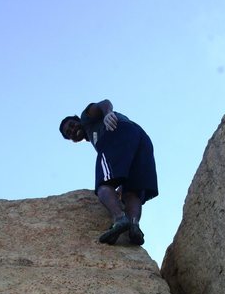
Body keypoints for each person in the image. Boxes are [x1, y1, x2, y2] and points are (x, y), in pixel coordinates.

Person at [59, 100, 158, 246]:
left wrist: (107, 114)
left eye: (72, 125)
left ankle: (119, 219)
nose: (72, 130)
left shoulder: (87, 119)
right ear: (73, 140)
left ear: (79, 120)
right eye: (69, 133)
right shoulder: (94, 134)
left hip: (117, 133)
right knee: (132, 190)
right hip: (141, 138)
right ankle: (134, 226)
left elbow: (103, 103)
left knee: (103, 185)